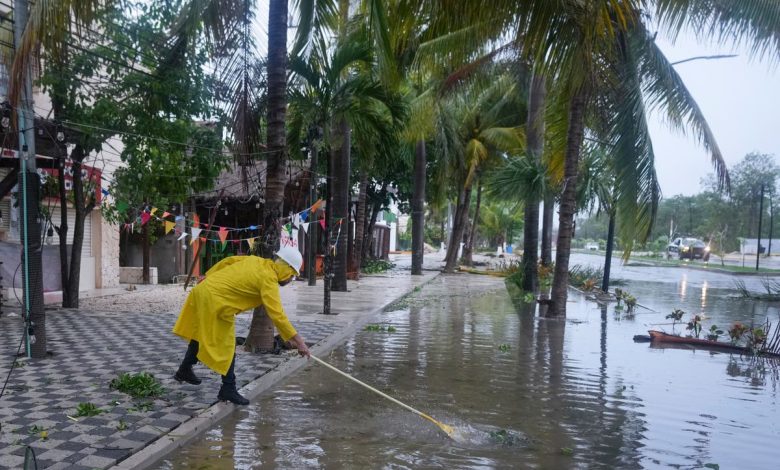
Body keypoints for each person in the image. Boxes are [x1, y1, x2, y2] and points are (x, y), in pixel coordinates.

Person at [172, 246, 310, 405]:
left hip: (203, 291)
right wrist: (299, 342)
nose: (290, 279)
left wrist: (208, 276)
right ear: (287, 269)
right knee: (228, 345)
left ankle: (184, 370)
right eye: (292, 276)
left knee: (201, 334)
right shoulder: (269, 280)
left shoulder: (257, 261)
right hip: (216, 301)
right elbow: (278, 315)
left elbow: (227, 261)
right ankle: (228, 388)